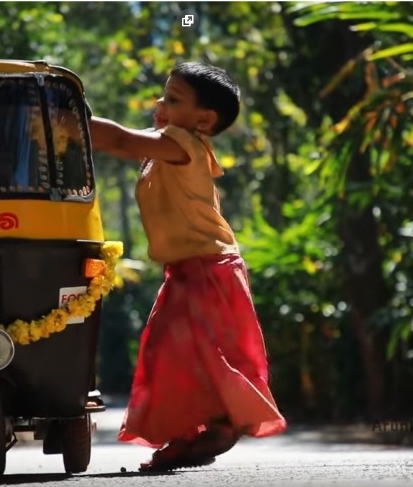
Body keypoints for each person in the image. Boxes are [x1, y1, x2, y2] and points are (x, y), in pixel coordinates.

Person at [88, 62, 287, 472]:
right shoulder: (170, 146)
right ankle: (196, 432)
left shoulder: (182, 143)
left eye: (173, 99)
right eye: (163, 95)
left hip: (209, 267)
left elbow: (122, 142)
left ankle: (221, 424)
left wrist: (69, 115)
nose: (160, 104)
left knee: (202, 355)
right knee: (168, 353)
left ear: (204, 119)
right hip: (187, 268)